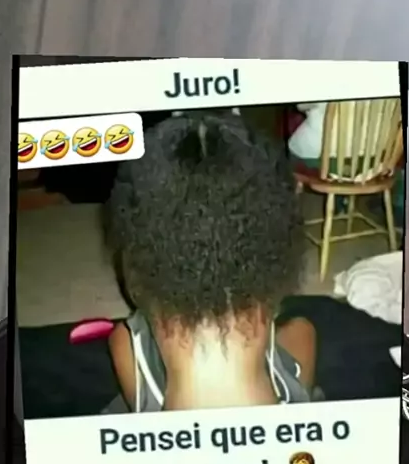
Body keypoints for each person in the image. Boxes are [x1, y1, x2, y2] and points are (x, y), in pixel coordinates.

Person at [104, 110, 319, 415]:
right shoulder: (260, 292)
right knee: (302, 330)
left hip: (165, 418)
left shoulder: (148, 285)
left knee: (122, 339)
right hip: (277, 413)